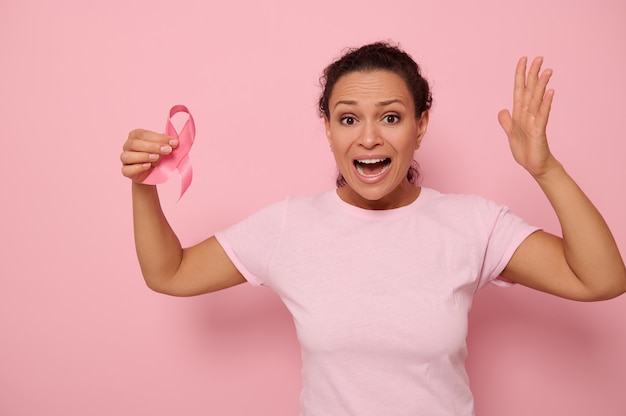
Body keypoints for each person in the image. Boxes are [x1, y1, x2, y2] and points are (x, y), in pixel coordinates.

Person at [120, 42, 626, 415]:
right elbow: (171, 273)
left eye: (390, 117)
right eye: (347, 119)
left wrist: (545, 169)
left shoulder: (473, 224)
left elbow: (601, 279)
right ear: (327, 128)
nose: (368, 138)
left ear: (420, 125)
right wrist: (145, 186)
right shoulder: (290, 226)